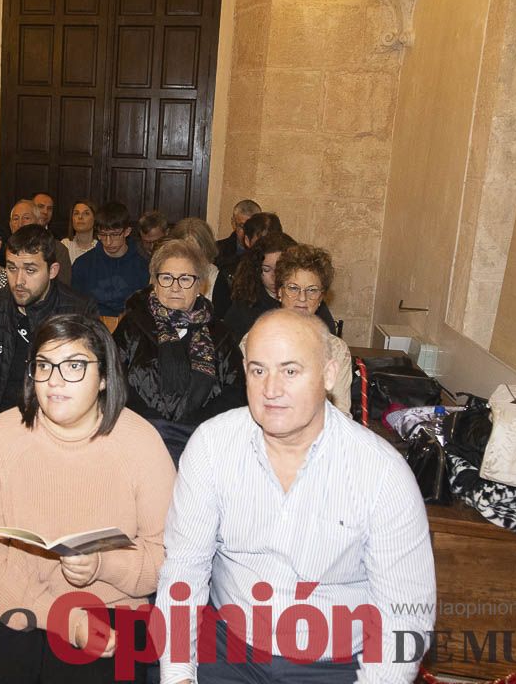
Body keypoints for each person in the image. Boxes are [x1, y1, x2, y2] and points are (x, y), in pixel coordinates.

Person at [156, 309, 435, 684]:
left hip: (335, 662)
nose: (271, 389)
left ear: (329, 374)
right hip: (228, 647)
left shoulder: (381, 472)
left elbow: (405, 612)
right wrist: (178, 676)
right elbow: (184, 571)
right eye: (258, 370)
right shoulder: (212, 445)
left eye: (290, 371)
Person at [0, 313, 176, 683]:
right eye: (43, 365)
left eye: (74, 365)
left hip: (110, 605)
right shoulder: (0, 434)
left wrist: (103, 564)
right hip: (9, 597)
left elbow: (165, 556)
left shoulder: (141, 442)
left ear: (105, 377)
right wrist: (65, 620)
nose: (55, 380)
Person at [113, 239, 246, 465]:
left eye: (185, 279)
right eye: (166, 278)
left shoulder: (220, 334)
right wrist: (152, 426)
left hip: (204, 444)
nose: (175, 287)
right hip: (137, 440)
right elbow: (113, 378)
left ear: (199, 285)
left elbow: (237, 391)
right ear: (154, 282)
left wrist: (197, 427)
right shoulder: (133, 325)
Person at [0, 225, 98, 420]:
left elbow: (89, 383)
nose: (18, 281)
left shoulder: (79, 311)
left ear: (53, 271)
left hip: (57, 420)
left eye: (30, 270)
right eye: (11, 268)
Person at [273, 244, 351, 412]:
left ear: (321, 297)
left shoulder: (336, 350)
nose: (302, 298)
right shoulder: (256, 342)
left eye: (312, 290)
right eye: (293, 288)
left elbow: (342, 415)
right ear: (279, 291)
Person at [71, 202, 149, 318]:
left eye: (115, 234)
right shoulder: (82, 264)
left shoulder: (142, 265)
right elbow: (76, 306)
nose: (108, 242)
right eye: (102, 235)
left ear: (127, 232)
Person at [168, 217, 231, 319]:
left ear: (206, 251)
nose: (191, 258)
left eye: (196, 252)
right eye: (185, 252)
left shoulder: (216, 279)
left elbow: (220, 321)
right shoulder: (164, 274)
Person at [12, 199, 72, 285]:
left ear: (38, 222)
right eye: (15, 218)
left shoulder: (57, 249)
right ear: (10, 224)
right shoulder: (3, 250)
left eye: (26, 218)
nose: (20, 223)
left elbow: (62, 287)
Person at [214, 199, 260, 268]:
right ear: (233, 223)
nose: (247, 232)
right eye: (242, 226)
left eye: (251, 226)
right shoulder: (217, 251)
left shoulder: (266, 252)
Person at [61, 198, 97, 263]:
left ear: (95, 218)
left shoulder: (101, 247)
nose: (80, 217)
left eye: (86, 213)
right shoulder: (64, 245)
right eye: (76, 213)